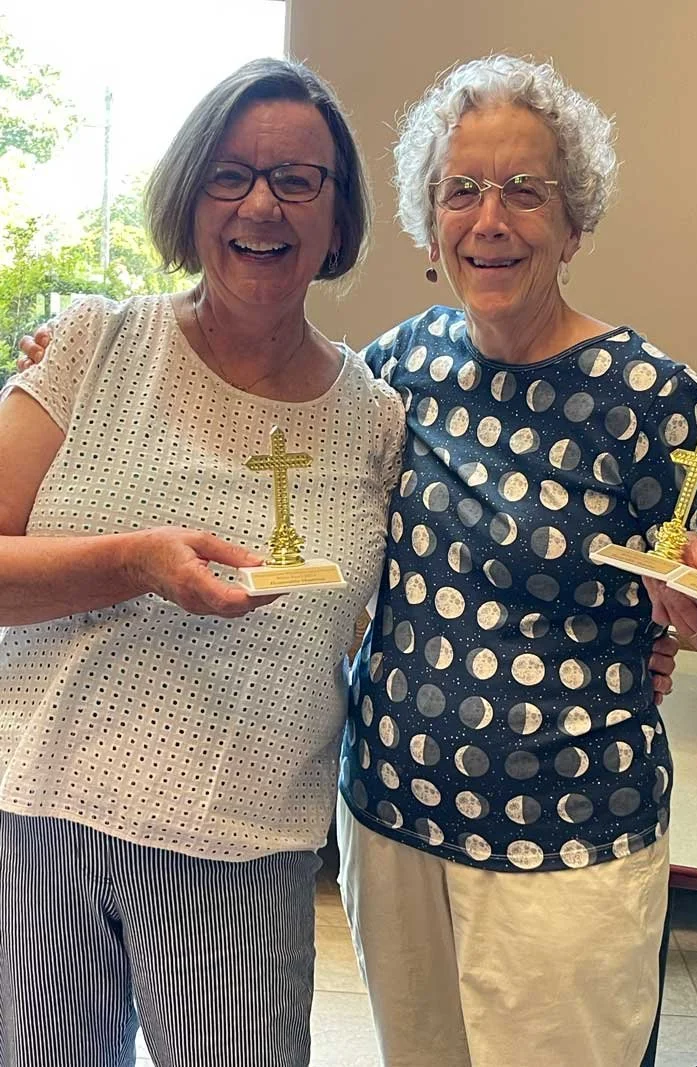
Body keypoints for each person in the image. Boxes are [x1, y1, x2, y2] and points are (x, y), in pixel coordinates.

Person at [332, 55, 697, 1067]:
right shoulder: (395, 368)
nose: (490, 218)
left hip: (569, 832)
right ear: (429, 223)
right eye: (460, 190)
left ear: (574, 222)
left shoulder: (654, 398)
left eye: (525, 191)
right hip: (390, 814)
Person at [0, 57, 405, 1067]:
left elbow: (438, 604)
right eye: (229, 174)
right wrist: (137, 560)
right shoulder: (93, 345)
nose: (260, 203)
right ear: (189, 197)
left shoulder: (377, 419)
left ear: (336, 212)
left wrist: (636, 640)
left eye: (296, 178)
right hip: (36, 820)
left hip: (244, 844)